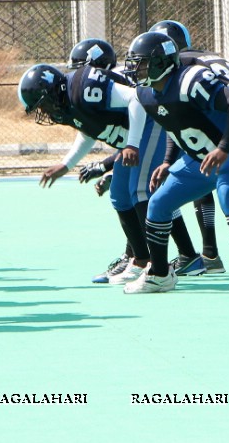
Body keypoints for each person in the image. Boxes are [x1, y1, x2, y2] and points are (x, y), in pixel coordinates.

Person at [120, 31, 229, 294]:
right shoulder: (146, 93)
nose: (136, 69)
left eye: (142, 63)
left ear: (161, 63)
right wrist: (167, 162)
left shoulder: (190, 80)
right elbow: (174, 125)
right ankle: (160, 274)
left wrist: (223, 148)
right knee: (158, 202)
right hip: (199, 158)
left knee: (227, 191)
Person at [19, 49, 167, 286]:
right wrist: (66, 164)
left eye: (43, 104)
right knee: (120, 196)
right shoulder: (66, 104)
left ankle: (159, 268)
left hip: (151, 122)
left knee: (139, 191)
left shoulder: (83, 86)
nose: (44, 112)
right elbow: (88, 128)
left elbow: (137, 98)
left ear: (53, 91)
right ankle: (140, 260)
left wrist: (131, 144)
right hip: (134, 137)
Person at [147, 19, 229, 274]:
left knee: (222, 174)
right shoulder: (203, 55)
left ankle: (212, 253)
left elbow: (181, 117)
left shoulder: (179, 68)